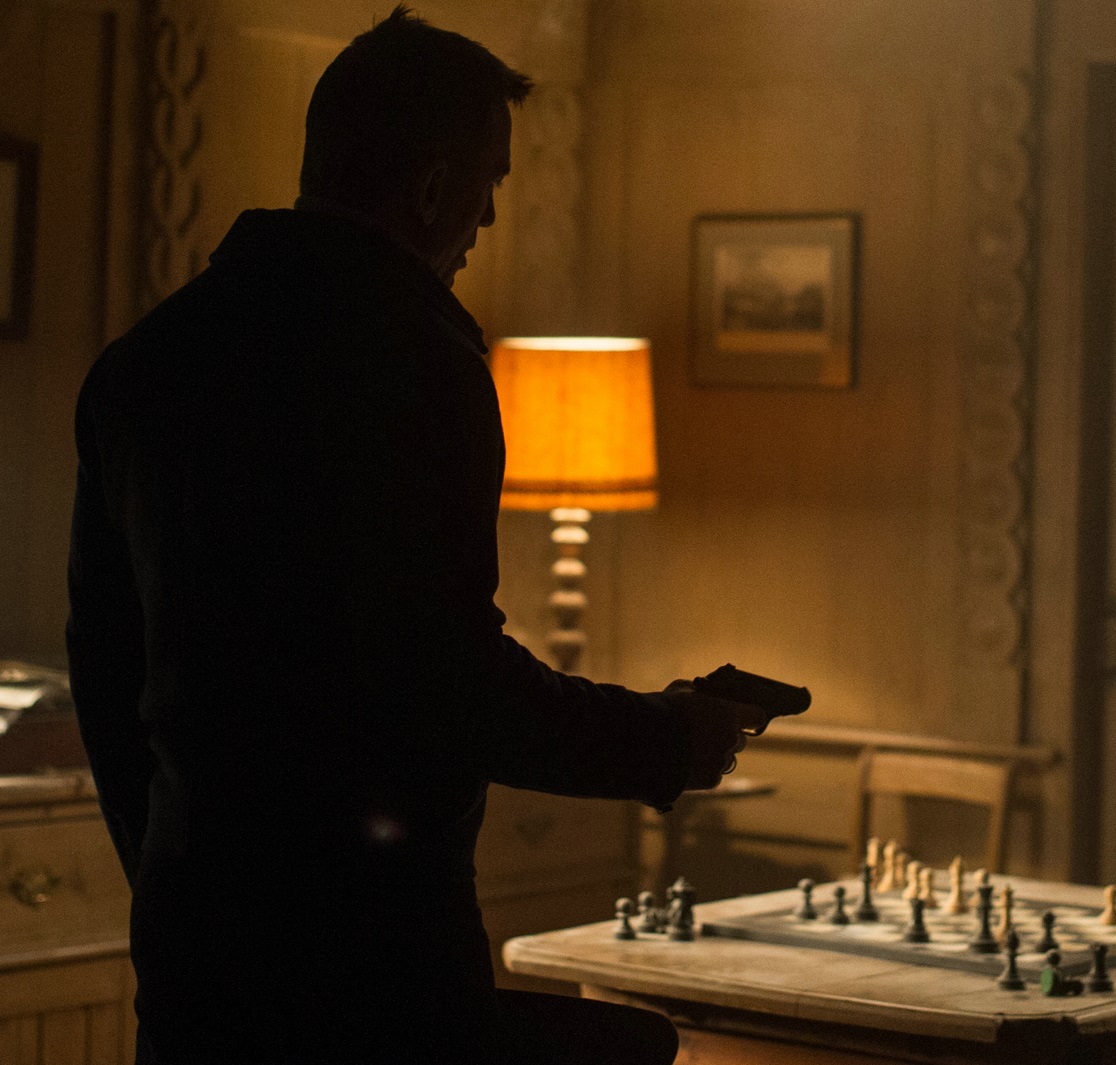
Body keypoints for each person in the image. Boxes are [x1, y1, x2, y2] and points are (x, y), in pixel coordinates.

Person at [66, 9, 760, 1064]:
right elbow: (443, 675)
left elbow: (107, 669)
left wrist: (176, 868)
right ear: (432, 188)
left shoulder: (142, 363)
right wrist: (666, 739)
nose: (489, 217)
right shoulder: (416, 364)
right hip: (375, 958)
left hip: (195, 951)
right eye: (490, 182)